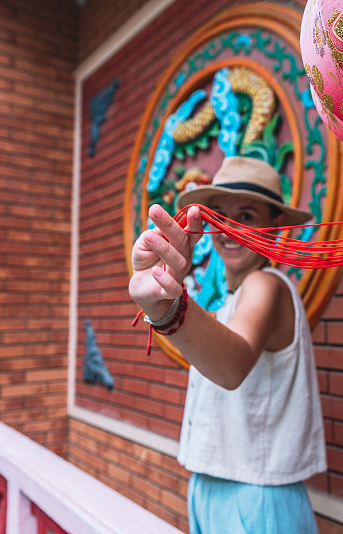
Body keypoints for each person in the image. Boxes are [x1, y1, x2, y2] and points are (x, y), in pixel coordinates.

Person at [129, 155, 326, 534]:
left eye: (247, 215)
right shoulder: (228, 304)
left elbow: (230, 365)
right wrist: (161, 301)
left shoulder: (267, 284)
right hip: (213, 486)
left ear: (276, 226)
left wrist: (168, 306)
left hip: (256, 497)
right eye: (219, 215)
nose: (229, 229)